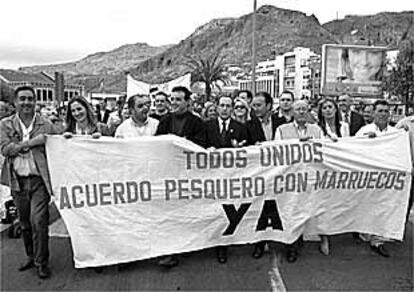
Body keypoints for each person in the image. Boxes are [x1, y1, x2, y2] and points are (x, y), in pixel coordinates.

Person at [0, 86, 58, 279]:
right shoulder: (5, 124)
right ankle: (30, 256)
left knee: (39, 221)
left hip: (39, 181)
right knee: (24, 223)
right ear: (15, 102)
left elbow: (58, 147)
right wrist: (32, 143)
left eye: (30, 99)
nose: (26, 102)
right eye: (22, 99)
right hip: (17, 181)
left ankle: (42, 262)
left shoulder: (47, 124)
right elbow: (6, 149)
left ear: (35, 102)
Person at [155, 86, 207, 268]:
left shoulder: (197, 122)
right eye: (173, 99)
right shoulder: (164, 121)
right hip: (168, 175)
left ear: (187, 102)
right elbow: (156, 145)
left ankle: (189, 244)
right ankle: (169, 251)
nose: (174, 103)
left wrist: (181, 144)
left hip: (188, 175)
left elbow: (201, 146)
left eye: (178, 99)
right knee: (169, 214)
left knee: (187, 212)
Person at [275, 100, 324, 263]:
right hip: (290, 180)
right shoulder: (282, 130)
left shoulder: (316, 130)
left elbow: (325, 151)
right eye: (298, 109)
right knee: (291, 211)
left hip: (310, 179)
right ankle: (292, 246)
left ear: (308, 111)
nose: (301, 112)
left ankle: (302, 238)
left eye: (304, 109)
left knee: (306, 210)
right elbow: (277, 152)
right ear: (293, 112)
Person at [205, 96, 249, 264]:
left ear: (232, 109)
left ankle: (223, 245)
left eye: (228, 106)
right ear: (216, 107)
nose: (224, 109)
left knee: (228, 210)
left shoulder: (240, 127)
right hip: (212, 176)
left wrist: (240, 149)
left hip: (232, 177)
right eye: (222, 105)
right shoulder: (207, 126)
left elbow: (248, 149)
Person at [355, 99, 402, 258]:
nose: (383, 114)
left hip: (388, 178)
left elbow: (401, 155)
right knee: (368, 205)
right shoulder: (363, 131)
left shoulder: (396, 133)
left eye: (385, 111)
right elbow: (354, 151)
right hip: (369, 177)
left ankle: (378, 239)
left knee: (384, 206)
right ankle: (366, 233)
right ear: (373, 113)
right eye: (380, 111)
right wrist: (366, 142)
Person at [316, 98, 350, 255]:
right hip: (321, 171)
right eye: (324, 108)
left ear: (336, 110)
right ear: (320, 111)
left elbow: (349, 147)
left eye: (330, 107)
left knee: (336, 203)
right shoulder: (316, 128)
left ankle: (335, 230)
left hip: (338, 170)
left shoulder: (344, 127)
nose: (328, 110)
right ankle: (324, 237)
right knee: (322, 204)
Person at [395, 114, 414, 224]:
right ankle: (400, 227)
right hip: (409, 169)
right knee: (406, 200)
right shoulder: (404, 123)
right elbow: (393, 143)